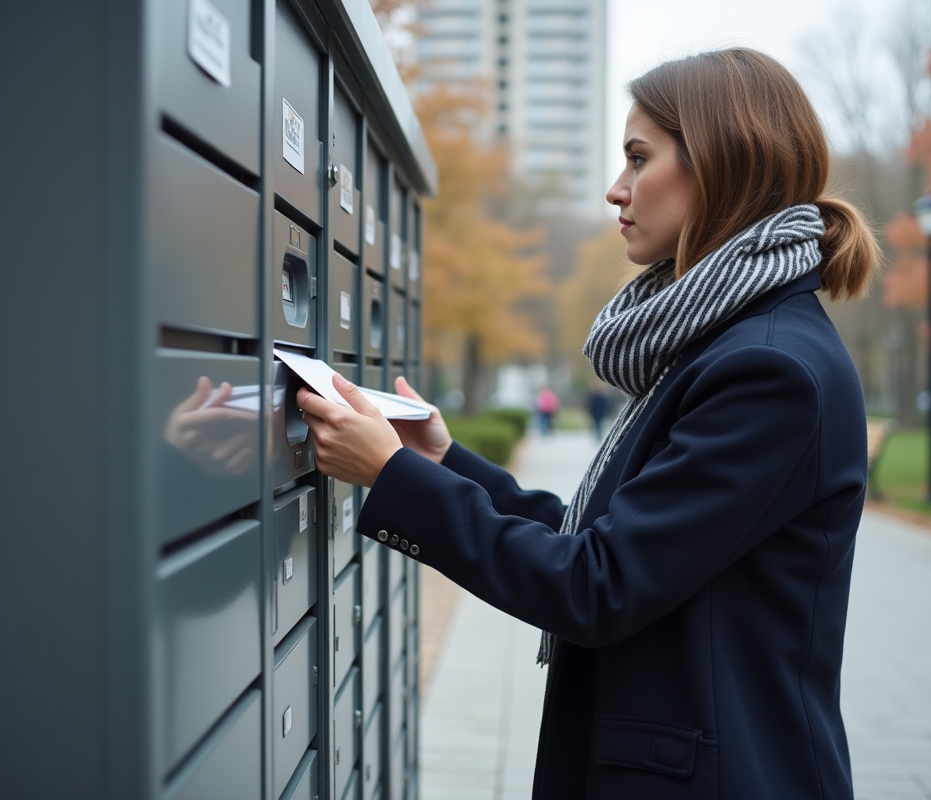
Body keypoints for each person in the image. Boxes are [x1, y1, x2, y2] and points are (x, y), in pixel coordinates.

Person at [297, 48, 877, 799]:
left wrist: (392, 475)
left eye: (639, 159)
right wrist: (442, 463)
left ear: (723, 163)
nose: (616, 189)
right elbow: (607, 542)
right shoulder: (721, 341)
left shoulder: (769, 370)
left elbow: (598, 586)